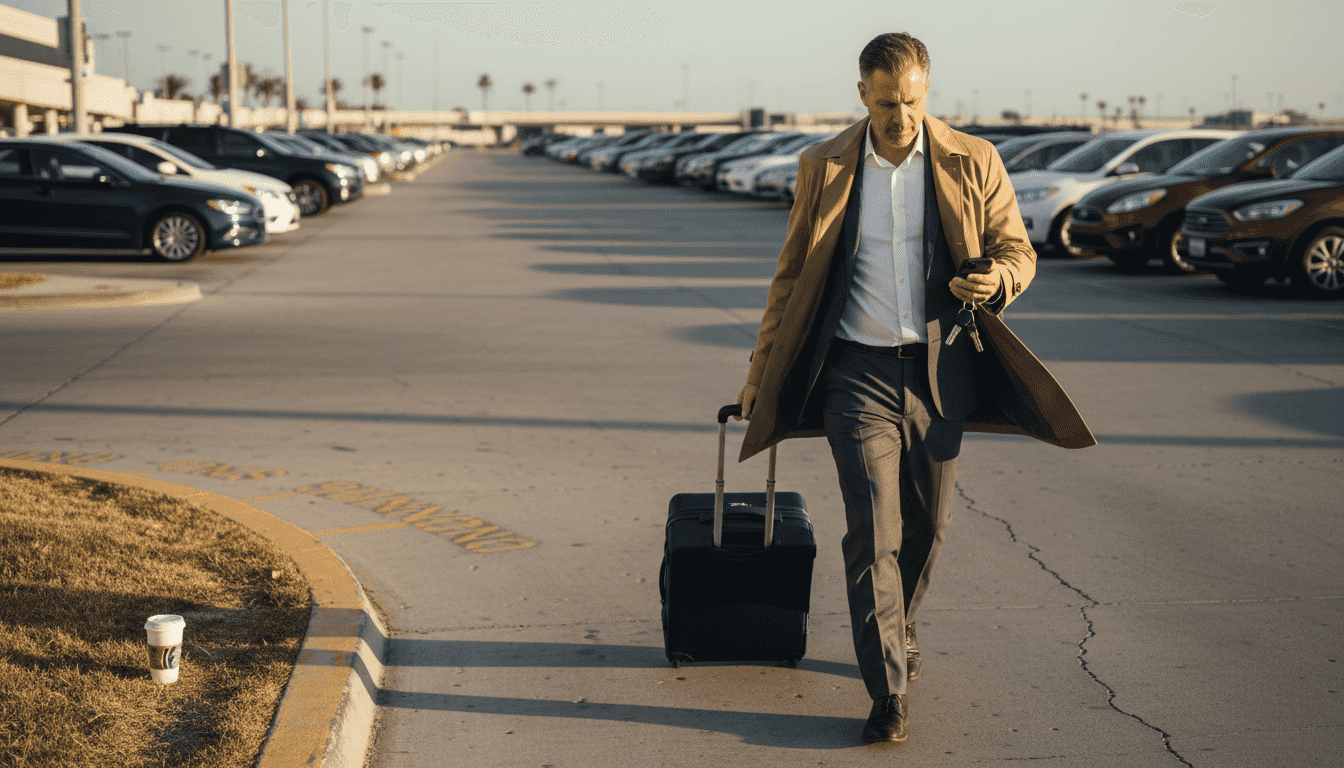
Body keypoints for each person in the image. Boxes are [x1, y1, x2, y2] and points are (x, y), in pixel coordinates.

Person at [733, 32, 1094, 745]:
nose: (901, 116)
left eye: (913, 100)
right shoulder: (825, 166)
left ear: (927, 91)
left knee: (928, 529)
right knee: (874, 533)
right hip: (854, 372)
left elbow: (1018, 249)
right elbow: (790, 276)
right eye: (888, 101)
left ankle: (901, 625)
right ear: (862, 91)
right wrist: (758, 373)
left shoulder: (972, 159)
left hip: (940, 369)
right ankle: (887, 689)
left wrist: (998, 280)